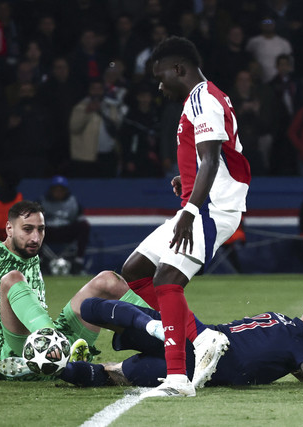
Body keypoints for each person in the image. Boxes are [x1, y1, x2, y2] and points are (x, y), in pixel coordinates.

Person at [118, 36, 251, 397]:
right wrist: (187, 180)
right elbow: (212, 157)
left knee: (166, 279)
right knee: (135, 271)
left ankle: (178, 379)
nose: (160, 86)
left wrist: (192, 209)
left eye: (161, 76)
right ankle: (202, 336)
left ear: (180, 69)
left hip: (210, 209)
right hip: (200, 203)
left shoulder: (203, 99)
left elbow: (210, 160)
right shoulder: (200, 98)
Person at [0, 200, 145, 383]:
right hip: (9, 354)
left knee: (107, 280)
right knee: (12, 279)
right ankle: (59, 350)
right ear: (9, 229)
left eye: (41, 230)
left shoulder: (31, 253)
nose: (35, 237)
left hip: (44, 341)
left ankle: (165, 332)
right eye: (27, 229)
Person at [1, 295, 303, 389]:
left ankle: (41, 363)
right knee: (118, 368)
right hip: (196, 350)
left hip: (194, 357)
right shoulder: (298, 342)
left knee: (116, 373)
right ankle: (151, 328)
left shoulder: (284, 327)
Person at [38, 176, 91, 275]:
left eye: (61, 190)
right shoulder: (42, 202)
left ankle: (78, 262)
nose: (58, 193)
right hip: (48, 231)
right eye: (56, 190)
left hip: (66, 230)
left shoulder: (73, 202)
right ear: (51, 190)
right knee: (35, 228)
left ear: (65, 191)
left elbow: (80, 219)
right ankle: (39, 263)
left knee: (84, 226)